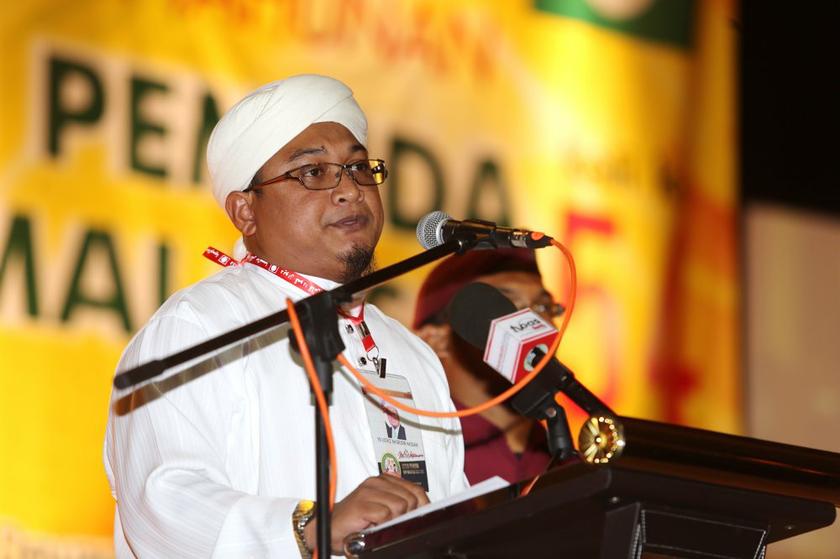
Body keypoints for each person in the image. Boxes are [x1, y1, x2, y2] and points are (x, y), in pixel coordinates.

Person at [104, 74, 467, 558]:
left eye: (358, 167)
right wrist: (312, 526)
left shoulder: (410, 352)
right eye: (313, 173)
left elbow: (453, 513)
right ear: (244, 211)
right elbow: (163, 501)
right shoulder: (202, 324)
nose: (350, 190)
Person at [413, 249, 562, 485]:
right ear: (435, 340)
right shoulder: (416, 454)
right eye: (505, 305)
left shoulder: (564, 455)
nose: (534, 322)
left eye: (543, 307)